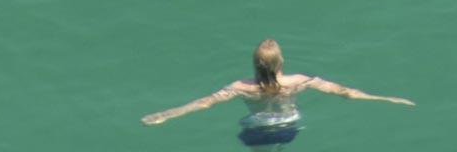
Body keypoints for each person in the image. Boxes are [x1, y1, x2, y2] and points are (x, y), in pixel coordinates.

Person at [140, 39, 413, 145]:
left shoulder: (240, 87)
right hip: (288, 126)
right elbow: (345, 92)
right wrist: (386, 98)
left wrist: (167, 114)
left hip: (254, 129)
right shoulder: (299, 82)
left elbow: (204, 104)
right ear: (281, 63)